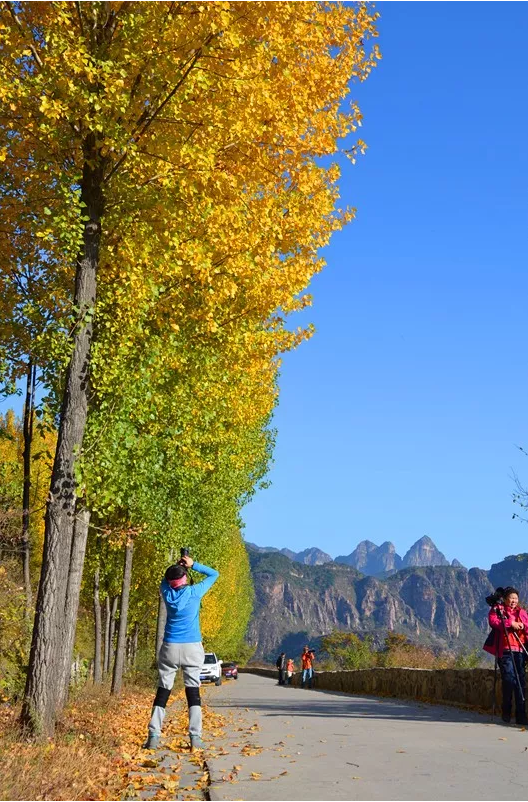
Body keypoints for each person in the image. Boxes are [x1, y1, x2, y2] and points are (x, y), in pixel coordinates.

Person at [143, 554, 219, 751]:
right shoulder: (195, 592)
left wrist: (176, 568)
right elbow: (213, 574)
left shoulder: (166, 593)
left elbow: (165, 579)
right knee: (193, 692)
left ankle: (153, 735)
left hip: (169, 647)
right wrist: (193, 565)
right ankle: (195, 737)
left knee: (163, 690)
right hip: (192, 648)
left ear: (170, 582)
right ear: (184, 578)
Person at [487, 586, 528, 725]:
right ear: (505, 599)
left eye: (516, 598)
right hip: (505, 650)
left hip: (520, 650)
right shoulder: (498, 610)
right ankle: (506, 710)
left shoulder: (522, 612)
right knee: (509, 679)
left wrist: (522, 625)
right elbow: (494, 622)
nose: (514, 601)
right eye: (511, 598)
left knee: (520, 682)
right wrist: (511, 623)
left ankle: (521, 715)